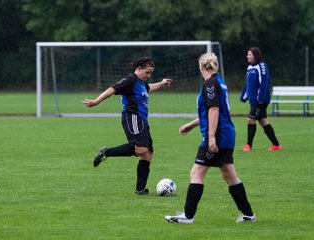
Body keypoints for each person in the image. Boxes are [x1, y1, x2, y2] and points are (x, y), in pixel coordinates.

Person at [165, 53, 256, 224]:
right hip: (227, 134)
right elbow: (210, 111)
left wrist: (211, 138)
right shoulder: (219, 82)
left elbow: (214, 111)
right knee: (229, 175)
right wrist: (192, 124)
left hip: (218, 136)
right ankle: (248, 215)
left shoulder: (210, 84)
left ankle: (188, 216)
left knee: (196, 173)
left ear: (201, 66)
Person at [82, 57, 172, 195]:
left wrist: (162, 83)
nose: (148, 75)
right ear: (139, 69)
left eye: (150, 73)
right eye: (147, 72)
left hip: (142, 120)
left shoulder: (141, 83)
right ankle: (106, 153)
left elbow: (149, 88)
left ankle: (140, 189)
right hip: (132, 117)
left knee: (147, 154)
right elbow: (112, 89)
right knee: (141, 149)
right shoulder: (130, 80)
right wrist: (96, 101)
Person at [240, 47, 281, 151]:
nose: (247, 56)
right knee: (263, 121)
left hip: (261, 100)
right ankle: (276, 145)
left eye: (249, 54)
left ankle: (248, 145)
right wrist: (244, 96)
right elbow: (248, 84)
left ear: (255, 55)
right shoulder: (249, 68)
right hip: (254, 100)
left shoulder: (262, 66)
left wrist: (260, 99)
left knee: (250, 119)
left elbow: (264, 83)